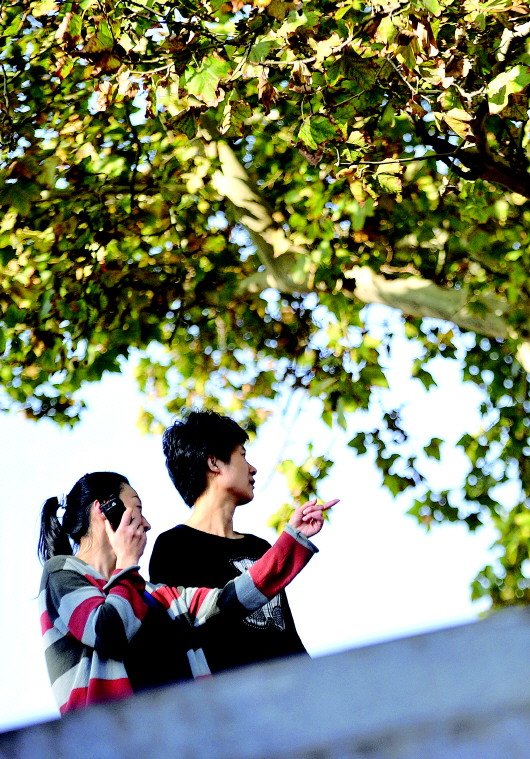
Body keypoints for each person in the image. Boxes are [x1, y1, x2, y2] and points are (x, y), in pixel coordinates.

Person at [38, 471, 337, 715]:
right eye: (137, 509)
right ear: (104, 510)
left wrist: (292, 539)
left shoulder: (157, 596)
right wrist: (127, 562)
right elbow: (108, 629)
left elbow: (229, 600)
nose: (147, 524)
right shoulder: (61, 572)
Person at [149, 410, 334, 673]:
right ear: (214, 462)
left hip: (293, 688)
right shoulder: (174, 547)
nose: (252, 468)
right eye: (242, 455)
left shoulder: (258, 548)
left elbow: (286, 637)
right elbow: (181, 638)